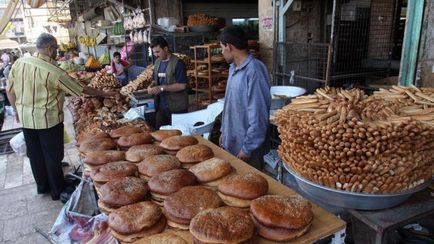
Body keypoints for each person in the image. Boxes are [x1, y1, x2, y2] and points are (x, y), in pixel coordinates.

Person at [6, 33, 116, 200]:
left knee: (35, 155)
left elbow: (9, 91)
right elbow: (81, 89)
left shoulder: (19, 63)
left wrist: (16, 111)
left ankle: (42, 187)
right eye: (56, 49)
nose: (57, 53)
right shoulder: (53, 71)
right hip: (48, 121)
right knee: (52, 156)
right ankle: (57, 190)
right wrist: (104, 93)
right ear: (50, 49)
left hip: (27, 119)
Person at [218, 26, 271, 170]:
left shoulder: (254, 71)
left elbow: (259, 115)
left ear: (229, 47)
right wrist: (224, 131)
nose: (222, 52)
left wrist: (247, 149)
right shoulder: (233, 69)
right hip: (232, 144)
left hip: (247, 152)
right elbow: (230, 104)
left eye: (222, 48)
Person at [147, 37, 188, 129]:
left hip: (177, 108)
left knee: (179, 135)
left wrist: (162, 88)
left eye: (158, 52)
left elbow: (182, 85)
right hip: (161, 107)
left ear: (165, 49)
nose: (156, 55)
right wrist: (151, 86)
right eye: (154, 52)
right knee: (160, 134)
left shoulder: (178, 63)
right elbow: (155, 80)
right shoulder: (158, 62)